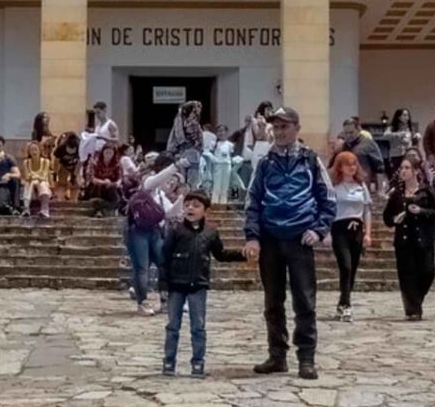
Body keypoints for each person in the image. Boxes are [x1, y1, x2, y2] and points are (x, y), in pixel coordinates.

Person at [243, 107, 334, 381]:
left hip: (299, 239)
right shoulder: (265, 163)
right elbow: (252, 201)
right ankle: (277, 356)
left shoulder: (310, 160)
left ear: (297, 128)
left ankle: (306, 358)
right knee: (273, 301)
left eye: (285, 126)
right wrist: (252, 236)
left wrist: (318, 229)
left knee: (304, 301)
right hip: (270, 239)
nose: (280, 132)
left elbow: (328, 199)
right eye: (277, 127)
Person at [160, 190, 246, 378]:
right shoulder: (175, 230)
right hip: (176, 284)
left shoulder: (210, 232)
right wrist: (163, 285)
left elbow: (220, 254)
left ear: (205, 210)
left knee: (198, 326)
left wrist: (242, 254)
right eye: (187, 205)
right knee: (173, 326)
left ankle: (198, 362)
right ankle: (169, 361)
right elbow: (164, 258)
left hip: (198, 285)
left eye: (196, 205)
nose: (190, 208)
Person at [385, 157, 435, 320]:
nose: (403, 171)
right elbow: (387, 217)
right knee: (406, 275)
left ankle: (415, 301)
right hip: (404, 240)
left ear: (415, 171)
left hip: (423, 239)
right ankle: (413, 309)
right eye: (401, 168)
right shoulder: (396, 193)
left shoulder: (426, 191)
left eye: (407, 168)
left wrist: (421, 211)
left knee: (427, 272)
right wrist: (395, 219)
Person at [125, 156, 181, 315]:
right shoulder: (147, 184)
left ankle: (165, 299)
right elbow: (157, 179)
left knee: (164, 262)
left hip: (155, 231)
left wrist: (181, 199)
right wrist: (175, 166)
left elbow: (169, 213)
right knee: (142, 267)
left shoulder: (161, 196)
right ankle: (142, 302)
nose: (169, 182)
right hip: (138, 231)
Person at [327, 151, 373, 323]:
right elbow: (329, 210)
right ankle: (346, 304)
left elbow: (367, 210)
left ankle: (344, 300)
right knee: (345, 266)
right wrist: (326, 231)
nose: (351, 168)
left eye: (354, 164)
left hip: (356, 230)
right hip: (340, 229)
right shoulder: (334, 187)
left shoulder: (361, 186)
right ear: (340, 167)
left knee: (352, 268)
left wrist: (368, 233)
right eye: (347, 164)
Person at [166, 101, 205, 189]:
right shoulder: (183, 122)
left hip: (186, 153)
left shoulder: (181, 122)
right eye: (195, 111)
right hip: (188, 152)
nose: (197, 113)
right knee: (187, 179)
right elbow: (179, 138)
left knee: (185, 179)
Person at [20, 141, 54, 218]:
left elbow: (43, 176)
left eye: (35, 149)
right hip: (31, 185)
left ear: (39, 151)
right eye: (31, 150)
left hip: (42, 183)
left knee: (42, 184)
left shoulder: (46, 162)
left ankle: (45, 210)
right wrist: (34, 179)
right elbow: (27, 176)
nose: (34, 152)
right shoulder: (26, 162)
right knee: (29, 183)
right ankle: (26, 209)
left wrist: (35, 178)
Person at [384, 109, 418, 179]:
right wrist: (398, 134)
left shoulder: (410, 128)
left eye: (407, 115)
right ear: (399, 117)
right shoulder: (392, 128)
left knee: (408, 176)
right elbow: (385, 135)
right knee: (396, 176)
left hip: (407, 155)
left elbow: (413, 140)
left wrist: (416, 137)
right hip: (396, 155)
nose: (407, 117)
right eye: (404, 115)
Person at [52, 133, 80, 201]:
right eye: (69, 149)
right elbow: (56, 162)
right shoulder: (61, 148)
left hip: (74, 166)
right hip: (63, 165)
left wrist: (73, 177)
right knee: (62, 183)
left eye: (73, 149)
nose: (71, 152)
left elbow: (79, 164)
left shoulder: (80, 148)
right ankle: (60, 200)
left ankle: (73, 201)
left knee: (75, 184)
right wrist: (55, 175)